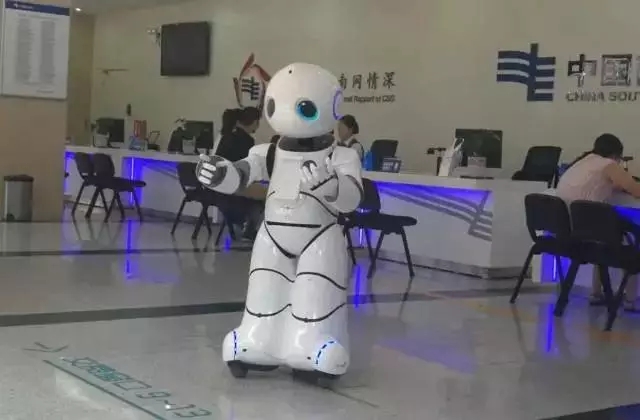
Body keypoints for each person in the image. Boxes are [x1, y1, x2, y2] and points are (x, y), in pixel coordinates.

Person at [556, 133, 640, 311]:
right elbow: (636, 190)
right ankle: (631, 299)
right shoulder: (608, 164)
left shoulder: (583, 162)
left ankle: (596, 292)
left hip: (571, 232)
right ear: (616, 155)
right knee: (633, 239)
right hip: (591, 230)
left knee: (602, 238)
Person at [212, 107, 263, 240]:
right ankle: (249, 228)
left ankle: (244, 225)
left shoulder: (226, 136)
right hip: (233, 190)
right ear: (255, 122)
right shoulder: (246, 141)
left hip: (219, 189)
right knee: (264, 195)